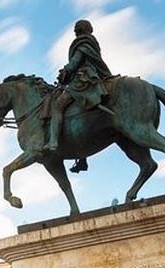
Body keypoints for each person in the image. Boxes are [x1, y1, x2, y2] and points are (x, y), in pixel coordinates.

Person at [47, 19, 113, 173]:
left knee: (58, 106)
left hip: (83, 81)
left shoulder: (82, 43)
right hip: (91, 78)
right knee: (80, 114)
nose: (75, 32)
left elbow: (75, 62)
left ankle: (53, 142)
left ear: (78, 30)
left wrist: (65, 72)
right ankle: (82, 159)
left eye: (76, 30)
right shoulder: (93, 42)